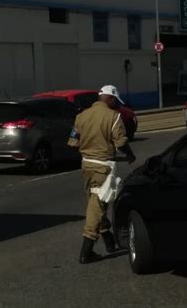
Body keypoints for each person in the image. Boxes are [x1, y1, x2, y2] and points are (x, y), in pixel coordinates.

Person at [68, 85, 136, 264]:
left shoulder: (81, 116)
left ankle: (109, 240)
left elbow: (73, 142)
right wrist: (130, 154)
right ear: (111, 99)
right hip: (103, 167)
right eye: (116, 102)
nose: (117, 106)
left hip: (86, 166)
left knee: (95, 202)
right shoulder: (113, 117)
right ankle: (86, 251)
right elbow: (120, 142)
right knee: (97, 206)